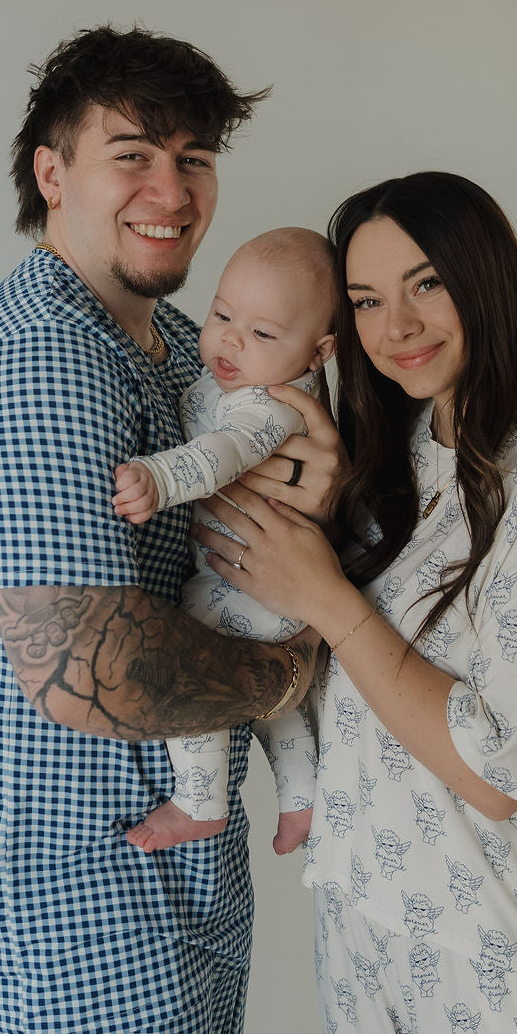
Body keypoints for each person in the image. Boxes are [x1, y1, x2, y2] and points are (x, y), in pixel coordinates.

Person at [0, 25, 338, 1034]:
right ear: (53, 174)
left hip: (159, 912)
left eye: (193, 159)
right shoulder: (44, 360)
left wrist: (322, 484)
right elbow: (94, 673)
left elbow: (283, 494)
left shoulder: (181, 348)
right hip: (71, 944)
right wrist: (303, 653)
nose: (172, 190)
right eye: (133, 154)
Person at [193, 172, 517, 1034]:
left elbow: (497, 771)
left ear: (483, 279)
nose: (394, 324)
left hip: (500, 961)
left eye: (424, 282)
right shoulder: (394, 457)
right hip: (367, 931)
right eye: (364, 301)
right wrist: (312, 517)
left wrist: (324, 594)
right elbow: (328, 672)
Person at [112, 226, 337, 855]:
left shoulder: (272, 403)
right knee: (284, 712)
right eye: (223, 314)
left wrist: (159, 478)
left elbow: (225, 453)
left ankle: (200, 801)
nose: (232, 339)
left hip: (248, 581)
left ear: (318, 354)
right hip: (268, 586)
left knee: (195, 663)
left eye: (263, 333)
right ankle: (301, 802)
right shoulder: (237, 378)